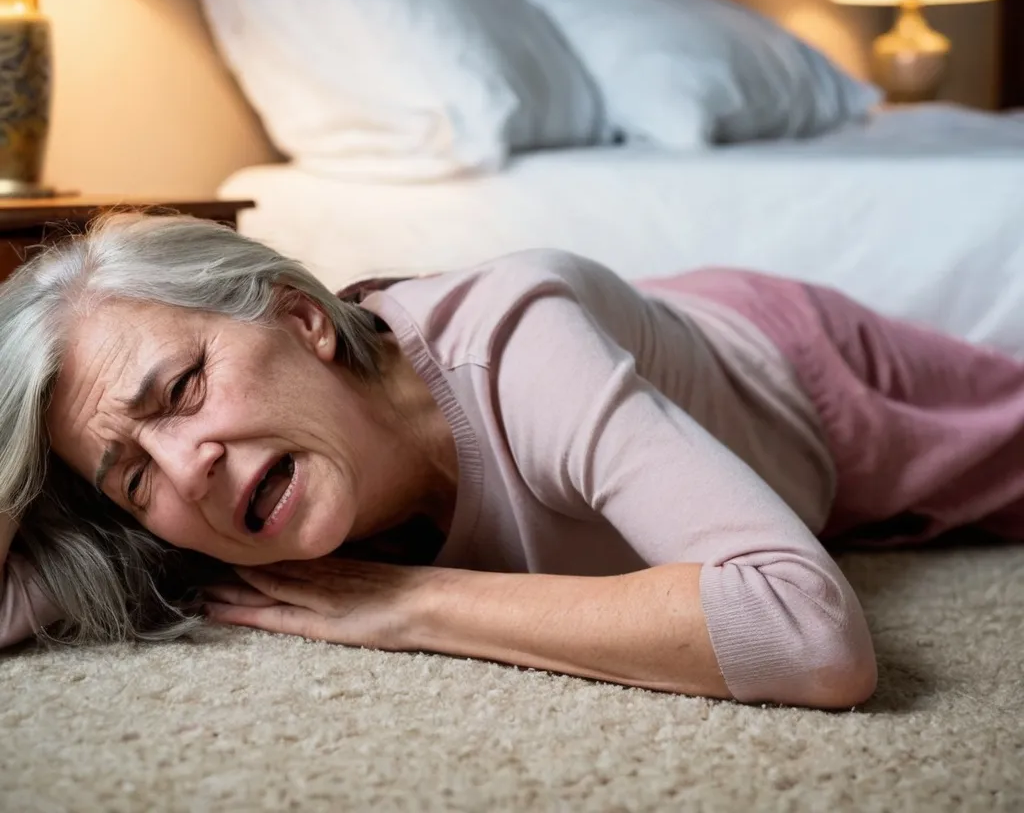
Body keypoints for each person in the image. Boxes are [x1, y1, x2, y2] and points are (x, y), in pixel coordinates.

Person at [1, 214, 1022, 711]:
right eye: (130, 473)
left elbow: (809, 637)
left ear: (304, 317)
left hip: (806, 380)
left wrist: (406, 604)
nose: (185, 468)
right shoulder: (224, 495)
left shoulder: (522, 343)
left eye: (181, 388)